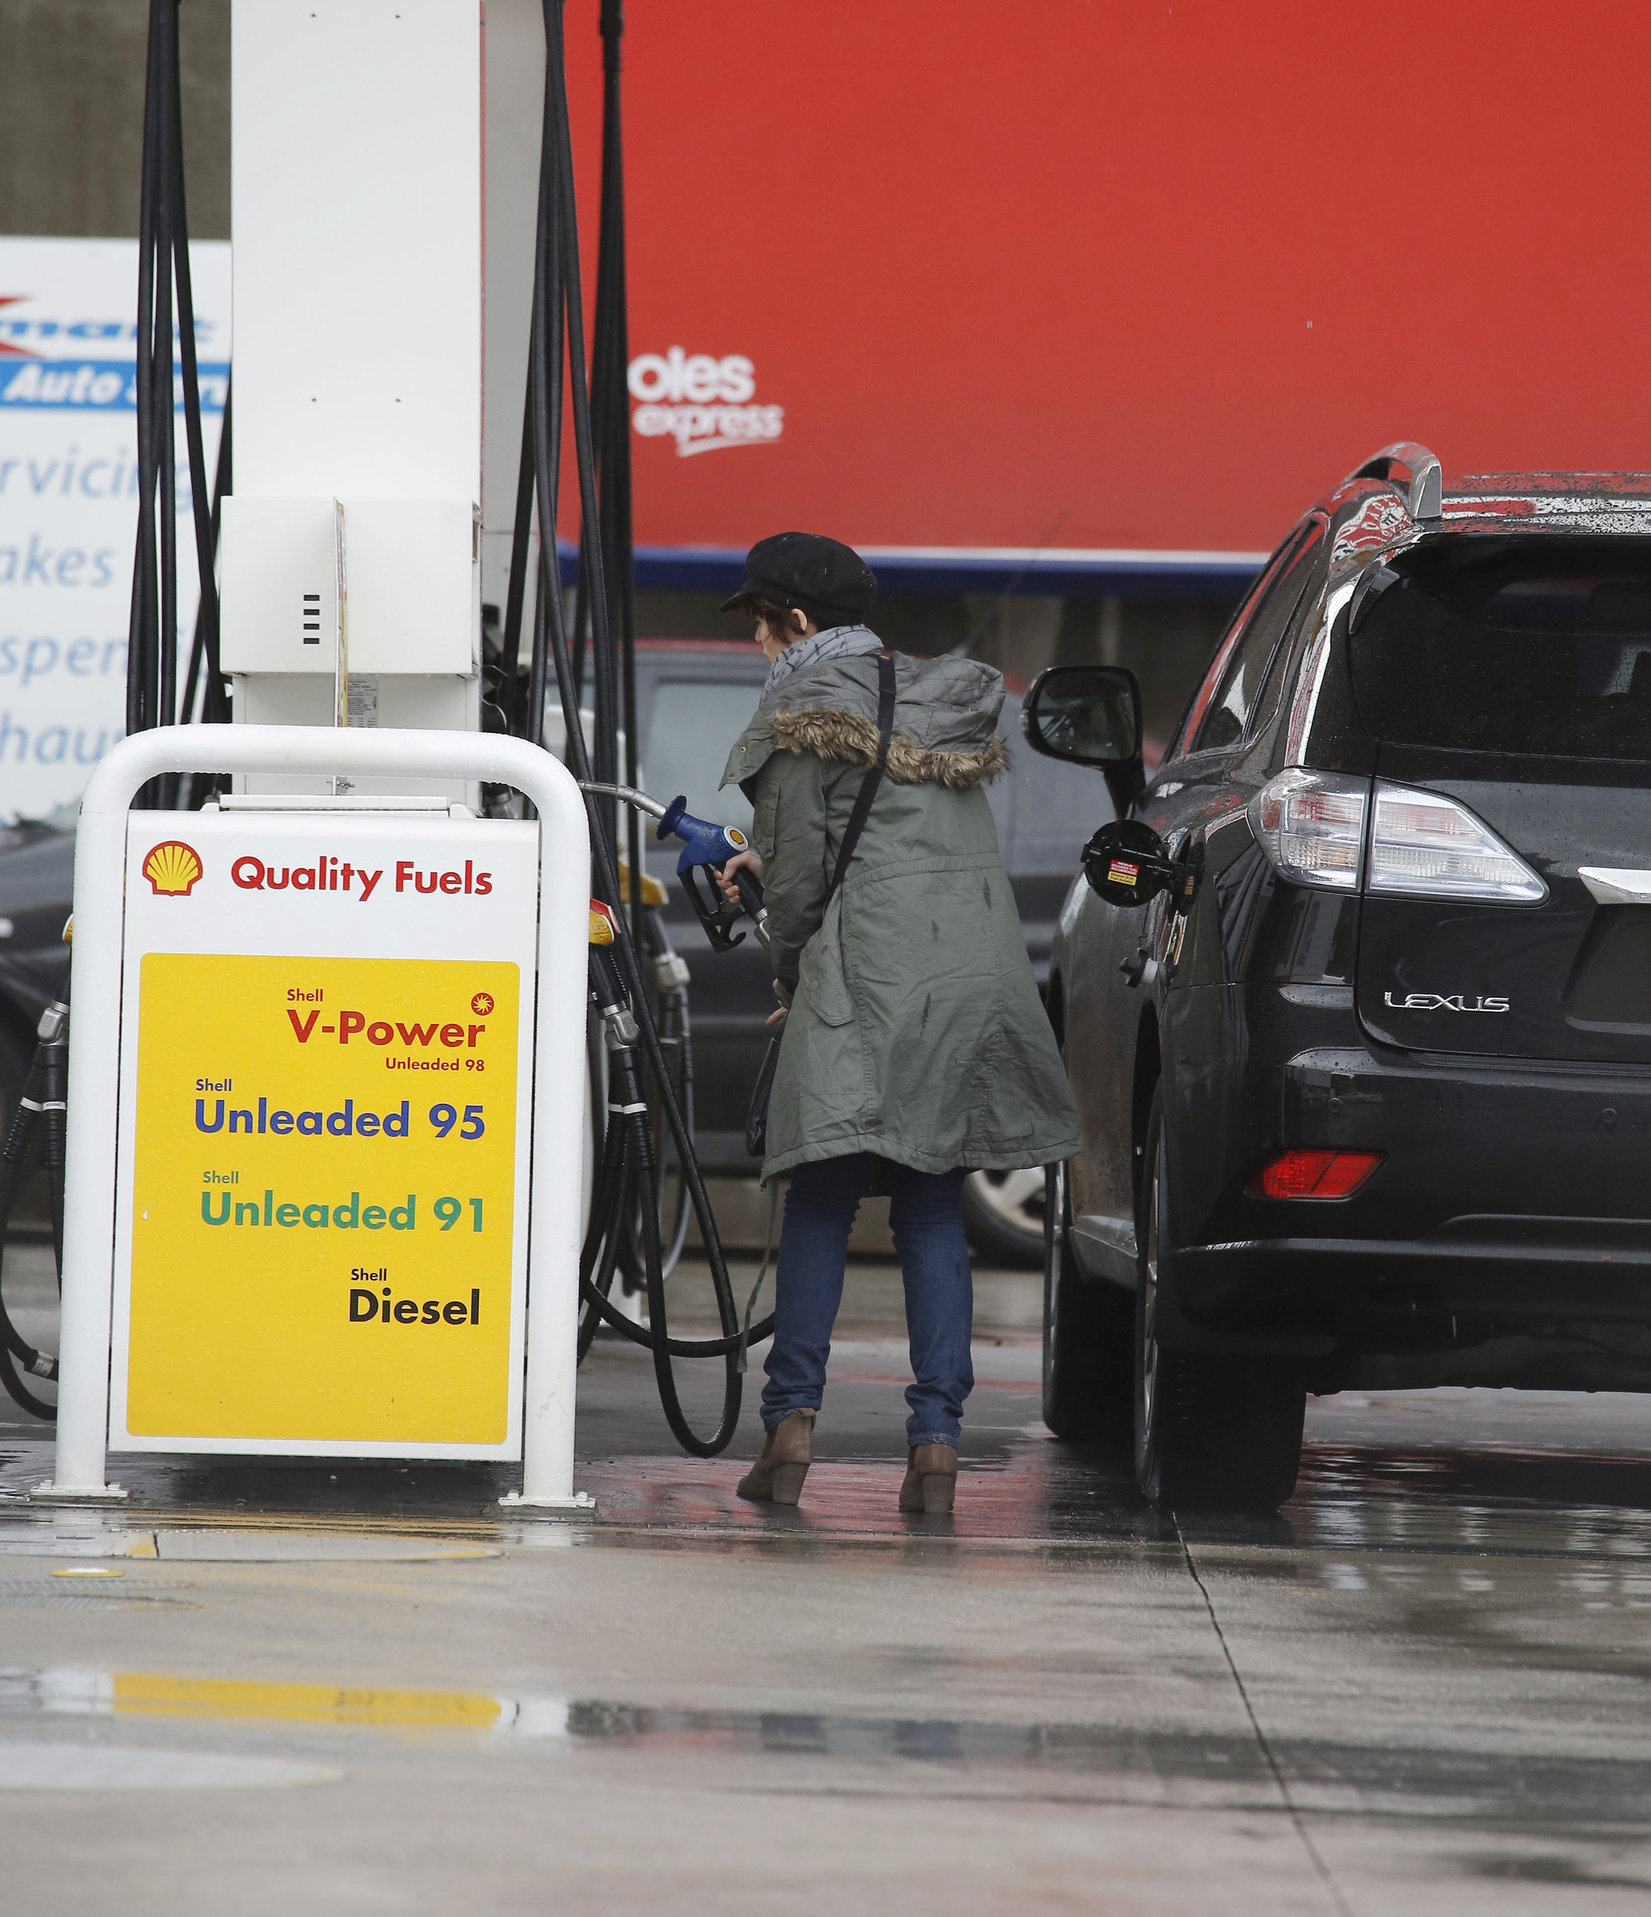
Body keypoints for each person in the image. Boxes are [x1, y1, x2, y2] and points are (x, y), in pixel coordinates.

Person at [715, 531, 1080, 1513]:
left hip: (865, 973)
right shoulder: (935, 699)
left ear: (792, 623)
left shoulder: (801, 712)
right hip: (968, 970)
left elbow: (797, 885)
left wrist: (798, 979)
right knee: (927, 1207)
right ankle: (935, 1446)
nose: (756, 644)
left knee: (822, 1198)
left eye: (757, 624)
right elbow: (886, 841)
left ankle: (789, 1429)